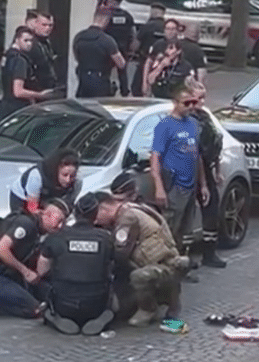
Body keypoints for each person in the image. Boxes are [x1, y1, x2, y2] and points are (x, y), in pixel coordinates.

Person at [0, 199, 70, 318]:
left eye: (63, 222)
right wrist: (26, 272)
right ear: (46, 215)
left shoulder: (37, 230)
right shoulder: (26, 224)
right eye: (58, 221)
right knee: (34, 310)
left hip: (8, 272)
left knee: (46, 296)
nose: (60, 226)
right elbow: (1, 249)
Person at [94, 192, 191, 327]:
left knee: (137, 276)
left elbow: (120, 253)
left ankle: (148, 309)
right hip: (166, 262)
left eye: (96, 216)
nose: (95, 221)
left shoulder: (127, 218)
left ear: (103, 209)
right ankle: (169, 296)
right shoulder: (132, 208)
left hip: (161, 266)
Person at [37, 193, 116, 335]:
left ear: (75, 213)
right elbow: (114, 265)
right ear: (95, 215)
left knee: (43, 283)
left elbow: (41, 270)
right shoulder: (106, 239)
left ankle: (53, 315)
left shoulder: (56, 236)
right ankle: (105, 315)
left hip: (63, 303)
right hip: (95, 304)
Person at [150, 84, 210, 270]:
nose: (191, 106)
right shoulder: (165, 126)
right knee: (169, 229)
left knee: (186, 230)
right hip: (174, 185)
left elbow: (197, 155)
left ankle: (181, 265)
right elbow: (155, 158)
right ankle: (164, 266)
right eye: (187, 103)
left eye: (193, 102)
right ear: (175, 103)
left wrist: (203, 184)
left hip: (190, 186)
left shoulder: (193, 124)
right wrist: (159, 187)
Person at [185, 79, 227, 268]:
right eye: (198, 98)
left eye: (204, 98)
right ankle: (184, 258)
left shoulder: (204, 116)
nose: (202, 102)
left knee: (212, 208)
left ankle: (209, 253)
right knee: (186, 213)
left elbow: (216, 142)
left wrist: (217, 171)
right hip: (189, 170)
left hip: (207, 169)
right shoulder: (186, 120)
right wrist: (202, 184)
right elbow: (197, 154)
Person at [9, 147, 82, 214]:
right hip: (22, 199)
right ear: (56, 171)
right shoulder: (36, 176)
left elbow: (67, 205)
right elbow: (32, 208)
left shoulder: (77, 182)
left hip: (46, 198)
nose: (68, 180)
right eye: (64, 175)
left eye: (72, 176)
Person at [0, 26, 53, 117]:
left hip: (5, 104)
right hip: (18, 108)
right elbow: (18, 91)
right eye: (25, 40)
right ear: (17, 40)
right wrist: (40, 95)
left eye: (31, 41)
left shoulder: (7, 56)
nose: (29, 44)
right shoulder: (21, 60)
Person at [73, 10, 126, 98]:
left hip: (83, 79)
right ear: (106, 21)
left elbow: (76, 56)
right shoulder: (107, 40)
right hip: (101, 80)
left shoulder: (79, 37)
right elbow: (121, 64)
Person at [102, 0, 138, 97]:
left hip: (107, 48)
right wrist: (131, 48)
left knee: (106, 70)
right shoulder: (127, 15)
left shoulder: (106, 15)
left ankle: (107, 89)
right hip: (123, 48)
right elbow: (133, 32)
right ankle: (124, 90)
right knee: (122, 70)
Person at [132, 3, 167, 96]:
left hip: (145, 61)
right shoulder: (168, 27)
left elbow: (135, 45)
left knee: (137, 89)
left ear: (152, 12)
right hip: (164, 63)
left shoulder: (147, 26)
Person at [142, 18, 179, 96]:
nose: (170, 31)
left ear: (177, 31)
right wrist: (145, 83)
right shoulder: (158, 44)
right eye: (168, 29)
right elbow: (148, 63)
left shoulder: (181, 46)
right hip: (157, 82)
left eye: (173, 29)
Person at [24, 9, 59, 92]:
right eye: (44, 25)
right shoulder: (29, 43)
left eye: (50, 25)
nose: (47, 28)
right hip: (33, 89)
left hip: (47, 86)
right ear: (34, 24)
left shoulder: (46, 42)